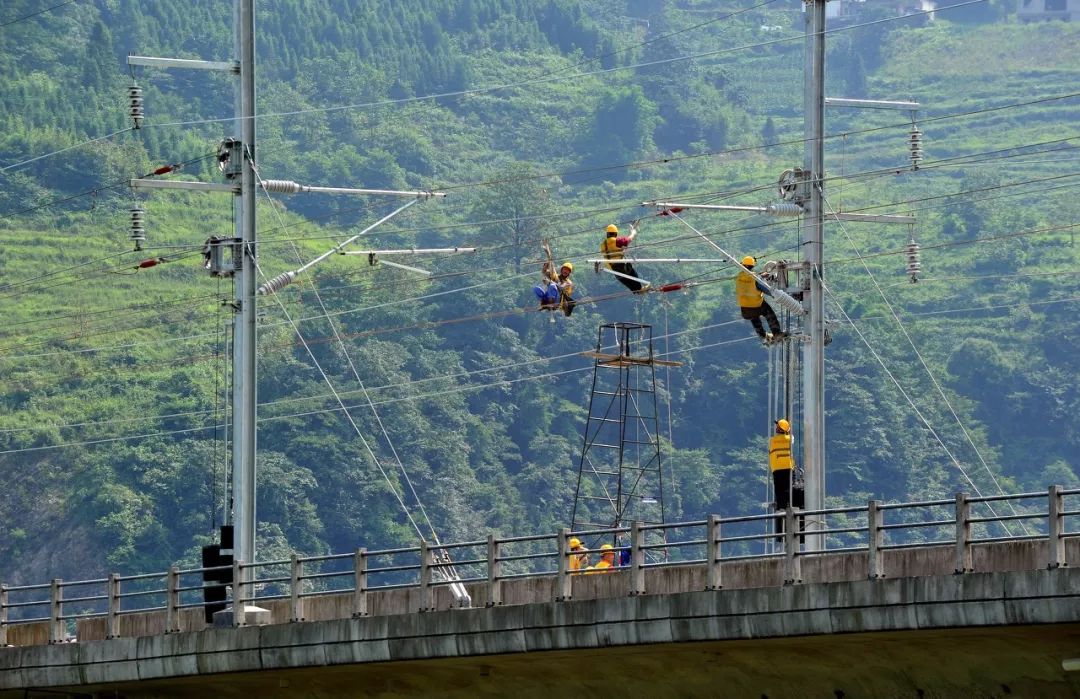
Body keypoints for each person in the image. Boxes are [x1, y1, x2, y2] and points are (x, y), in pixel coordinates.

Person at [736, 256, 785, 343]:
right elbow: (766, 290)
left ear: (743, 265)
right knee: (769, 313)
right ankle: (776, 333)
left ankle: (763, 336)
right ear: (752, 266)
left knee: (754, 318)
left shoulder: (739, 277)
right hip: (757, 305)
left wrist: (760, 276)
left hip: (744, 308)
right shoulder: (755, 279)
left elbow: (749, 277)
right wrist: (777, 296)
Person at [597, 223, 649, 294]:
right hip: (623, 267)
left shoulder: (603, 245)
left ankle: (638, 291)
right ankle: (639, 289)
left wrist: (622, 250)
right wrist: (633, 232)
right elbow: (628, 240)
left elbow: (613, 252)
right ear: (615, 234)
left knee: (630, 283)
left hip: (615, 271)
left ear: (607, 234)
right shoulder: (617, 241)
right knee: (634, 276)